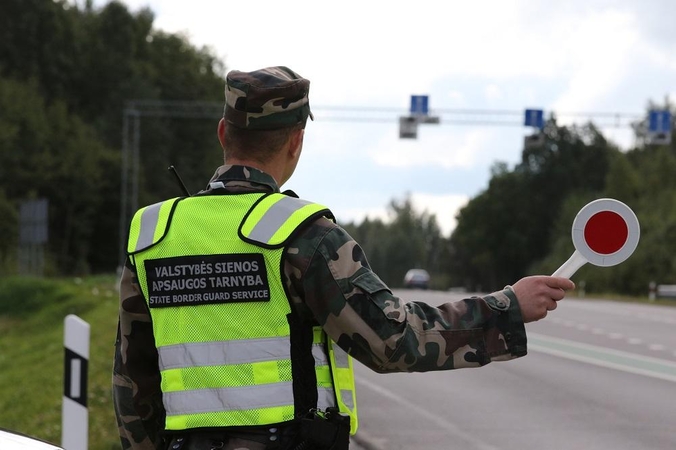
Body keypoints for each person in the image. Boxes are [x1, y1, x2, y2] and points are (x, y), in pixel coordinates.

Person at [112, 66, 575, 450]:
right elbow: (393, 339)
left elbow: (133, 383)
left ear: (222, 134)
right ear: (296, 141)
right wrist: (506, 307)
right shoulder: (302, 234)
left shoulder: (154, 235)